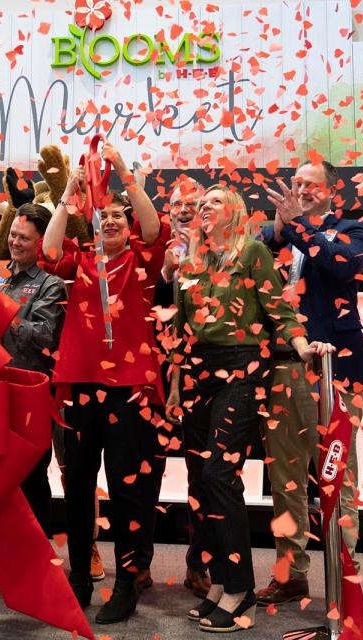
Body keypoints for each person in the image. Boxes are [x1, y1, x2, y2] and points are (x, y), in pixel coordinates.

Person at [167, 186, 331, 633]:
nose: (205, 207)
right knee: (201, 480)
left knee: (221, 474)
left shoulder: (254, 250)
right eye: (202, 203)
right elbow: (181, 326)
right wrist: (177, 379)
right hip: (198, 369)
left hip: (241, 367)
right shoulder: (191, 259)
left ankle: (242, 594)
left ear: (234, 212)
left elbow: (279, 307)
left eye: (215, 201)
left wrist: (301, 345)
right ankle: (220, 581)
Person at [42, 143, 169, 625]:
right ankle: (78, 577)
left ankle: (127, 581)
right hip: (78, 384)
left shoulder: (142, 259)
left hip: (130, 388)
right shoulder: (79, 261)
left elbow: (154, 227)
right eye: (105, 215)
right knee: (77, 486)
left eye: (120, 215)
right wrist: (70, 195)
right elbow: (49, 249)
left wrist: (121, 171)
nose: (112, 221)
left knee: (127, 488)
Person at [257, 157, 363, 604]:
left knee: (336, 474)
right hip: (282, 365)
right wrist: (278, 229)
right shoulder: (273, 238)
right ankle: (292, 573)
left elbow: (342, 266)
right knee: (285, 477)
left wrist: (297, 228)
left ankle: (345, 582)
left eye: (310, 184)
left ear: (330, 190)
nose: (302, 190)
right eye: (295, 183)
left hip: (334, 367)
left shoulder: (353, 229)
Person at [0, 203, 67, 586]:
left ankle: (35, 554)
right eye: (13, 235)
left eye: (24, 237)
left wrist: (1, 311)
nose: (15, 242)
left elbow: (45, 337)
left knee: (31, 478)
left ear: (41, 242)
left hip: (31, 392)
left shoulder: (49, 283)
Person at [157, 175, 212, 599]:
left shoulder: (221, 252)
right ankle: (136, 567)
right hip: (152, 373)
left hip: (204, 374)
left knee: (204, 474)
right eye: (176, 202)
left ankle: (201, 563)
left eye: (190, 203)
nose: (182, 208)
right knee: (143, 468)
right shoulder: (152, 246)